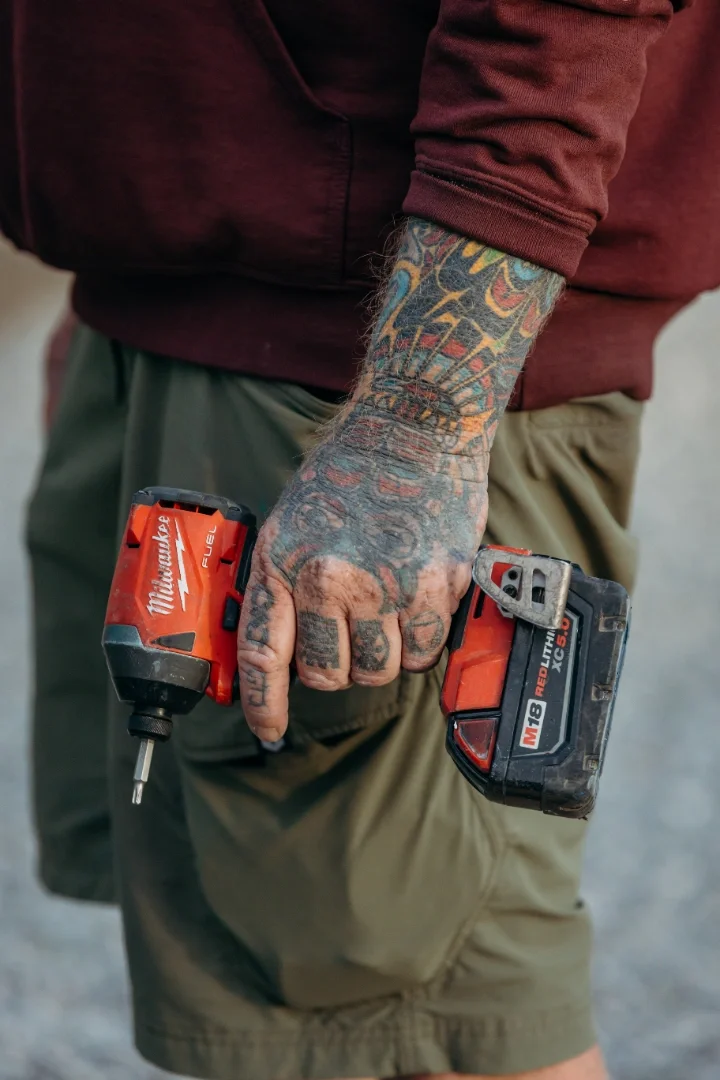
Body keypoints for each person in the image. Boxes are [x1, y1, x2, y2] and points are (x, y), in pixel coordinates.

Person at [4, 0, 719, 1077]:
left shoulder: (393, 420)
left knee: (400, 1012)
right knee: (263, 988)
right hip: (193, 306)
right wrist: (125, 281)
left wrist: (414, 428)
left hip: (370, 372)